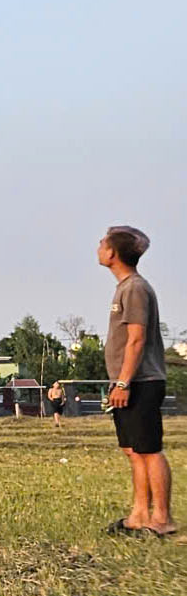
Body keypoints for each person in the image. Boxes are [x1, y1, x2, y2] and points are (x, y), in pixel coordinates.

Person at [99, 226, 173, 538]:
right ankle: (139, 514)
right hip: (127, 382)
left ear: (113, 253)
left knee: (149, 449)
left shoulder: (135, 289)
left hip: (141, 381)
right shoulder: (124, 287)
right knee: (132, 449)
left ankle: (162, 519)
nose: (99, 247)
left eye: (103, 243)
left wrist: (124, 382)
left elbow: (137, 339)